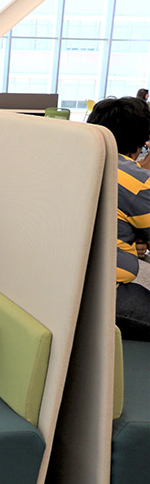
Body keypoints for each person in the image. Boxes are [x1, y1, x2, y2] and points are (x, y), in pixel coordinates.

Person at [86, 97, 150, 341]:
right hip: (100, 294)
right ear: (141, 142)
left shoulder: (68, 160)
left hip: (54, 279)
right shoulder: (135, 181)